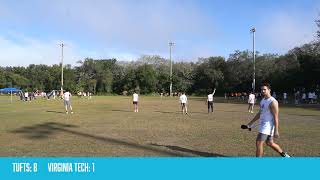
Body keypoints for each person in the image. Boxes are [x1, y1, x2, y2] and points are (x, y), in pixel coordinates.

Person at [245, 83, 290, 157]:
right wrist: (250, 123)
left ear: (269, 90)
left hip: (267, 126)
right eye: (262, 89)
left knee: (259, 142)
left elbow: (276, 117)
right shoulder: (263, 100)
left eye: (264, 89)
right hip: (263, 125)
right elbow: (260, 113)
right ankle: (285, 155)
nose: (262, 91)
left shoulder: (273, 102)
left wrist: (276, 130)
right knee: (270, 143)